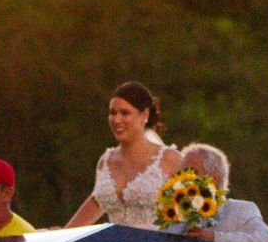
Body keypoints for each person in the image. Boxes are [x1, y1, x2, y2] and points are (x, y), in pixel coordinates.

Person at [66, 81, 183, 229]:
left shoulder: (171, 159)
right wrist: (62, 234)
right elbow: (97, 201)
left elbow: (195, 211)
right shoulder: (105, 161)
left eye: (125, 113)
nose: (116, 119)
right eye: (112, 113)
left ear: (144, 115)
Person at [174, 142, 268, 242]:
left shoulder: (239, 210)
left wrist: (215, 237)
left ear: (214, 178)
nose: (183, 179)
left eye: (192, 172)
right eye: (181, 174)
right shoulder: (175, 214)